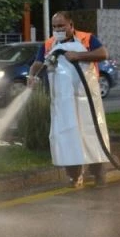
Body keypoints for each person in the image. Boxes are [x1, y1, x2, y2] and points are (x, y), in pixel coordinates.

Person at [27, 11, 111, 188]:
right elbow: (38, 62)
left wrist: (78, 56)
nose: (57, 29)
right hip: (63, 101)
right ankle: (74, 176)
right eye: (55, 26)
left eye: (61, 25)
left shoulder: (87, 39)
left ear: (71, 25)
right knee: (67, 136)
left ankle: (98, 175)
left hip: (87, 98)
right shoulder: (49, 44)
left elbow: (103, 53)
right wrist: (31, 75)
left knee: (92, 134)